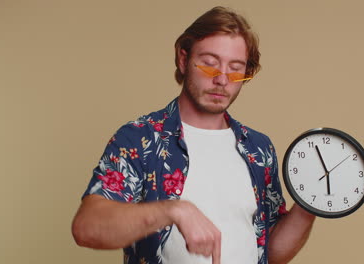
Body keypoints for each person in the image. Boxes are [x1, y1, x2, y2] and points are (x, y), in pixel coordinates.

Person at [72, 6, 315, 264]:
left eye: (235, 69)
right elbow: (87, 227)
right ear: (183, 59)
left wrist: (311, 202)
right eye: (210, 64)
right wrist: (174, 211)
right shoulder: (140, 138)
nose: (222, 79)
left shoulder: (259, 148)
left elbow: (271, 253)